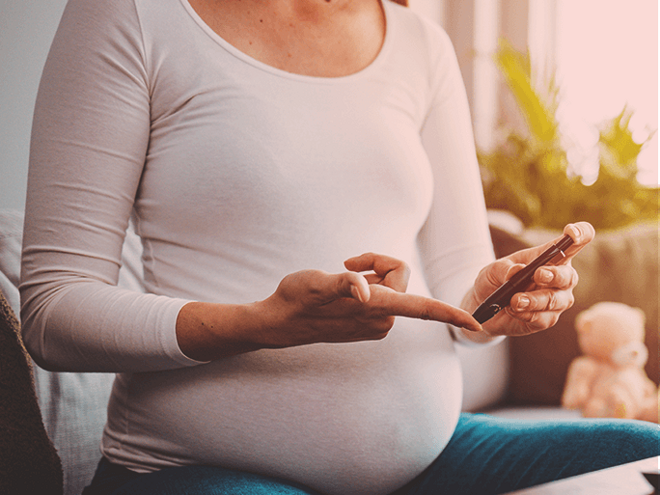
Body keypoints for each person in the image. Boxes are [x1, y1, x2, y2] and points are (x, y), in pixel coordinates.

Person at [20, 0, 658, 494]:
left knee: (643, 457)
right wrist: (259, 324)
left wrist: (494, 302)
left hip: (432, 457)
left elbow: (465, 281)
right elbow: (53, 313)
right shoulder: (132, 17)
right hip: (194, 466)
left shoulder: (418, 44)